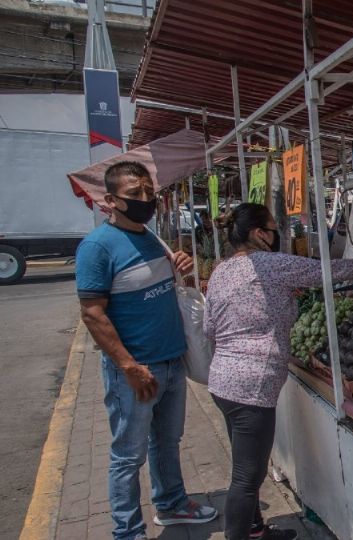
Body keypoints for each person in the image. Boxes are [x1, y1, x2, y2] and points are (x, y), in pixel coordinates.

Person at [203, 203, 353, 540]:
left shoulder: (222, 271)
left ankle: (254, 530)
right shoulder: (267, 264)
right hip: (252, 385)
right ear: (258, 234)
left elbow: (209, 327)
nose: (276, 234)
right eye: (272, 227)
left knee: (246, 462)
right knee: (246, 476)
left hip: (223, 379)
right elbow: (324, 271)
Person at [76, 161, 218, 540]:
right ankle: (128, 531)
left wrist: (180, 268)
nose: (145, 200)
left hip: (172, 361)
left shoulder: (151, 237)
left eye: (148, 192)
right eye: (134, 194)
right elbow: (92, 314)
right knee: (128, 455)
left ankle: (171, 504)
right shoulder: (97, 247)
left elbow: (163, 289)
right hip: (137, 370)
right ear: (110, 201)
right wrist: (127, 366)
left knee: (168, 441)